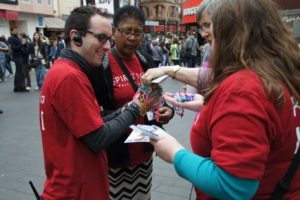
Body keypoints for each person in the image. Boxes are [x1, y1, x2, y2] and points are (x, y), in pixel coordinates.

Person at [146, 0, 300, 199]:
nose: (206, 37)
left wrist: (174, 152)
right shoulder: (283, 73)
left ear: (233, 35)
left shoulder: (243, 88)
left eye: (211, 31)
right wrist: (209, 107)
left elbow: (233, 185)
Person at [39, 6, 159, 200]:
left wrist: (133, 107)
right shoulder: (70, 76)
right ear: (76, 36)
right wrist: (136, 107)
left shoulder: (69, 71)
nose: (106, 46)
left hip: (84, 183)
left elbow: (95, 119)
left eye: (108, 39)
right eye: (101, 38)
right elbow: (98, 138)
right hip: (75, 190)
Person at [91, 5, 174, 200]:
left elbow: (155, 96)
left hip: (144, 153)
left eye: (138, 32)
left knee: (143, 196)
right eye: (126, 31)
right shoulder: (101, 65)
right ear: (114, 31)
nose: (132, 37)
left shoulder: (145, 61)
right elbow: (95, 114)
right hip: (116, 155)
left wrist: (166, 110)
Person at [7, 27, 27, 92]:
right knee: (20, 73)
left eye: (17, 30)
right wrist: (22, 43)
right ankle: (21, 88)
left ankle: (17, 87)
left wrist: (23, 43)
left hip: (20, 56)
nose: (17, 31)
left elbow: (20, 47)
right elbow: (14, 48)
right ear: (11, 31)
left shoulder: (17, 37)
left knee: (18, 72)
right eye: (15, 30)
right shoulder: (10, 38)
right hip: (17, 57)